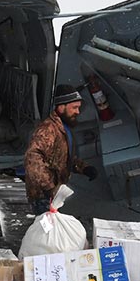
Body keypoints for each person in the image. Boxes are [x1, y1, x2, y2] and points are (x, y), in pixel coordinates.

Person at [24, 84, 98, 214]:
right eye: (74, 107)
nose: (78, 112)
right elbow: (33, 159)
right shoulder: (48, 130)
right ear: (61, 107)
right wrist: (49, 187)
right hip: (43, 197)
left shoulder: (63, 128)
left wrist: (84, 168)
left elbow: (63, 158)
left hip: (53, 195)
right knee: (47, 227)